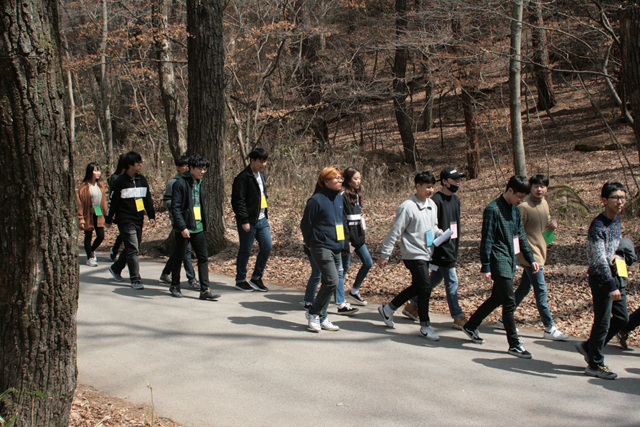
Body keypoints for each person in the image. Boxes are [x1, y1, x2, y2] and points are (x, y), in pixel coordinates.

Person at [461, 175, 539, 359]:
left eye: (523, 197)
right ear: (509, 190)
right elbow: (486, 239)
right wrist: (486, 265)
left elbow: (521, 236)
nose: (521, 200)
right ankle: (514, 343)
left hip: (510, 259)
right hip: (498, 259)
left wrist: (530, 257)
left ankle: (471, 325)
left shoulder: (515, 210)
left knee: (497, 298)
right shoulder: (492, 209)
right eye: (519, 196)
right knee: (509, 301)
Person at [496, 174, 569, 340]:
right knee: (541, 290)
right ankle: (549, 327)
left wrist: (552, 225)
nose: (539, 189)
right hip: (530, 255)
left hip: (541, 251)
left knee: (524, 288)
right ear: (531, 187)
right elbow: (514, 232)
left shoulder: (544, 203)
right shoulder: (523, 206)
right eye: (536, 186)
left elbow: (545, 223)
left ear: (546, 189)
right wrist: (514, 256)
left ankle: (504, 318)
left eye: (542, 186)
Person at [376, 171, 444, 341]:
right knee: (426, 287)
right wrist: (386, 254)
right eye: (427, 186)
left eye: (432, 187)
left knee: (419, 286)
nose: (430, 190)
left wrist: (441, 234)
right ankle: (425, 326)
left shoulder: (432, 205)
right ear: (418, 186)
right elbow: (395, 232)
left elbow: (433, 227)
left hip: (427, 252)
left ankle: (388, 309)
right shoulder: (407, 207)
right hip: (412, 254)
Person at [403, 167, 467, 330]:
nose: (458, 182)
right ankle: (458, 316)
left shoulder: (456, 200)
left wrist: (454, 248)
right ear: (444, 182)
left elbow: (455, 228)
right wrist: (433, 246)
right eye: (454, 179)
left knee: (433, 279)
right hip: (438, 249)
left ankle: (413, 305)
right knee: (452, 281)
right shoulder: (435, 200)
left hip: (451, 248)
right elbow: (429, 227)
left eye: (459, 179)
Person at [575, 181, 627, 379]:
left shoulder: (616, 221)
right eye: (615, 197)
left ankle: (589, 347)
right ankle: (595, 364)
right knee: (603, 322)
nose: (620, 201)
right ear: (604, 200)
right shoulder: (598, 225)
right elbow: (598, 259)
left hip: (614, 275)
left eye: (622, 197)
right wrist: (610, 285)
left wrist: (619, 254)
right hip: (601, 279)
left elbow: (613, 247)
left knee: (622, 318)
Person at [300, 167, 349, 332]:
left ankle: (322, 316)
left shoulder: (340, 199)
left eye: (341, 178)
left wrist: (343, 243)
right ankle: (313, 313)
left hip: (336, 246)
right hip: (320, 246)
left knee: (331, 284)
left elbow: (340, 223)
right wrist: (309, 242)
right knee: (332, 280)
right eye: (336, 178)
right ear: (325, 181)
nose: (340, 181)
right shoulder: (316, 200)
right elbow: (305, 224)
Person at [168, 155, 220, 301]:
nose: (202, 172)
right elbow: (175, 208)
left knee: (203, 258)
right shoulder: (180, 184)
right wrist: (182, 227)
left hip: (198, 226)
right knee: (178, 258)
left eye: (204, 169)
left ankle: (205, 289)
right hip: (184, 228)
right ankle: (174, 285)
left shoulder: (200, 183)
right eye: (200, 169)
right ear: (190, 168)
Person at [105, 151, 156, 290]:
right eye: (137, 162)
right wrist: (108, 219)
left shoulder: (142, 180)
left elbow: (147, 199)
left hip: (138, 219)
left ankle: (116, 268)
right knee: (133, 248)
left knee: (133, 248)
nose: (140, 165)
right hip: (125, 220)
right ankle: (135, 279)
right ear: (129, 165)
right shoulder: (119, 182)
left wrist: (151, 216)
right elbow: (112, 202)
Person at [231, 148, 272, 292]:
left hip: (262, 219)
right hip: (249, 220)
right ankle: (240, 279)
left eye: (265, 161)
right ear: (252, 160)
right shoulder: (243, 177)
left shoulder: (261, 175)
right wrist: (244, 220)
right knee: (246, 250)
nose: (263, 164)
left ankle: (256, 278)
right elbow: (238, 201)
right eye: (261, 161)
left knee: (267, 247)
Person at [158, 155, 199, 290]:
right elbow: (167, 201)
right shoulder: (173, 183)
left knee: (179, 250)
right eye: (184, 166)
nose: (186, 168)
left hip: (191, 219)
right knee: (186, 251)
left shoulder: (193, 182)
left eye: (188, 166)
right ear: (178, 167)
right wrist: (178, 203)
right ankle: (192, 279)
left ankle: (165, 273)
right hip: (178, 220)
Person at [342, 167, 373, 307]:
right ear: (348, 180)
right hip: (348, 239)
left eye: (359, 178)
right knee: (344, 267)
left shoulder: (358, 194)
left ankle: (354, 291)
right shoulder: (342, 196)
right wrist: (346, 241)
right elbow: (343, 221)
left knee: (368, 262)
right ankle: (336, 293)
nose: (358, 181)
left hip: (358, 238)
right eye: (355, 178)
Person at [77, 162, 108, 267]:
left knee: (100, 235)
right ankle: (90, 258)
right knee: (88, 236)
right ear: (90, 172)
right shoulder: (84, 186)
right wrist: (80, 218)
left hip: (97, 210)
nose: (98, 173)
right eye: (95, 170)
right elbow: (80, 203)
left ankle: (92, 250)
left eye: (99, 170)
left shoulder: (100, 185)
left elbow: (103, 202)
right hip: (88, 213)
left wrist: (107, 215)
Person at [108, 154, 127, 261]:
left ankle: (117, 250)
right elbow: (112, 196)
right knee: (125, 233)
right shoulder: (115, 178)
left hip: (132, 211)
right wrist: (111, 212)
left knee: (127, 234)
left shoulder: (134, 177)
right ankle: (115, 250)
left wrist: (140, 208)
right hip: (120, 211)